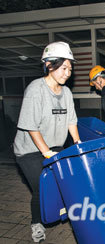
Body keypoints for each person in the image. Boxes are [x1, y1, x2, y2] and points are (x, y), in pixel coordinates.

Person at [13, 41, 81, 243]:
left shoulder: (67, 93)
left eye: (70, 68)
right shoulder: (36, 89)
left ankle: (63, 214)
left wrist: (78, 144)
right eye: (63, 67)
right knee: (43, 186)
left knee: (67, 182)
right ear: (50, 64)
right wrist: (45, 152)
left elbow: (71, 121)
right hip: (29, 150)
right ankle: (37, 224)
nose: (67, 72)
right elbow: (31, 126)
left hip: (54, 146)